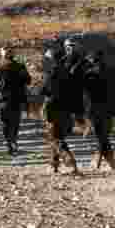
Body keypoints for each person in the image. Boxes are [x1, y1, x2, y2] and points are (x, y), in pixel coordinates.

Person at [40, 40, 81, 175]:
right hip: (66, 109)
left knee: (56, 138)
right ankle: (55, 165)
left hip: (53, 109)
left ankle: (70, 161)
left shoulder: (51, 73)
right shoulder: (67, 72)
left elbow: (44, 90)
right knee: (56, 136)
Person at [0, 46, 31, 155]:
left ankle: (9, 142)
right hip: (16, 99)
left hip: (4, 99)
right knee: (14, 122)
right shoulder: (20, 66)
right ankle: (13, 141)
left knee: (5, 122)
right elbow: (28, 80)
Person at [85, 50, 115, 171]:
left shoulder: (89, 74)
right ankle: (100, 162)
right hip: (109, 110)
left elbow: (85, 92)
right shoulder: (111, 72)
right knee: (103, 137)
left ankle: (110, 164)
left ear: (93, 61)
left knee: (101, 138)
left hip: (95, 110)